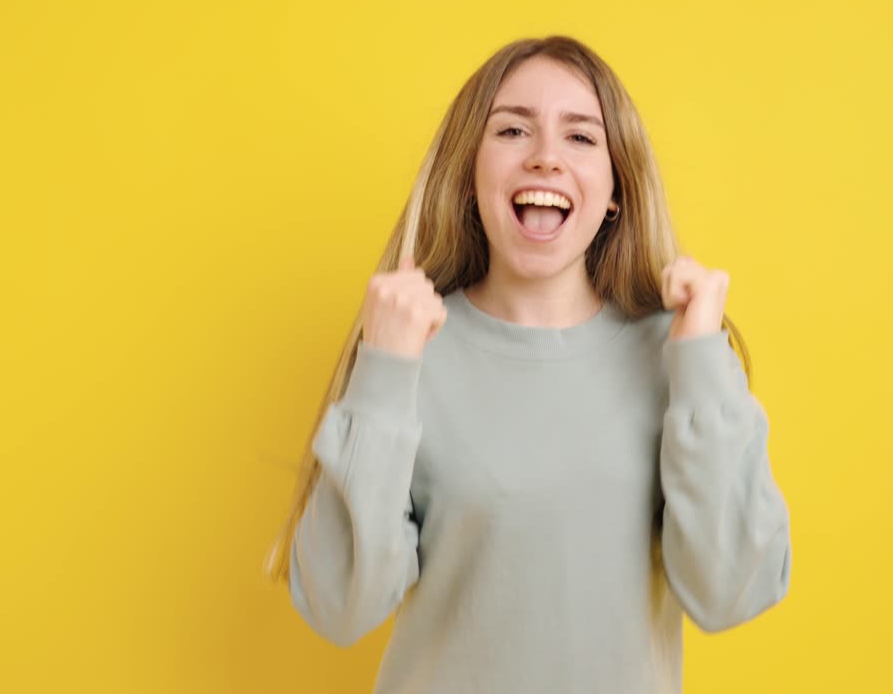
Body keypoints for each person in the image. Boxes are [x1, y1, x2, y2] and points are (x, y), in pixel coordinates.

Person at [264, 34, 792, 694]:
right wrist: (382, 376)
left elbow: (730, 594)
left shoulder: (676, 354)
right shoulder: (407, 346)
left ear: (615, 191)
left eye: (580, 137)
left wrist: (702, 358)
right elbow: (341, 610)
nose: (545, 158)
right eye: (513, 130)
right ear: (470, 174)